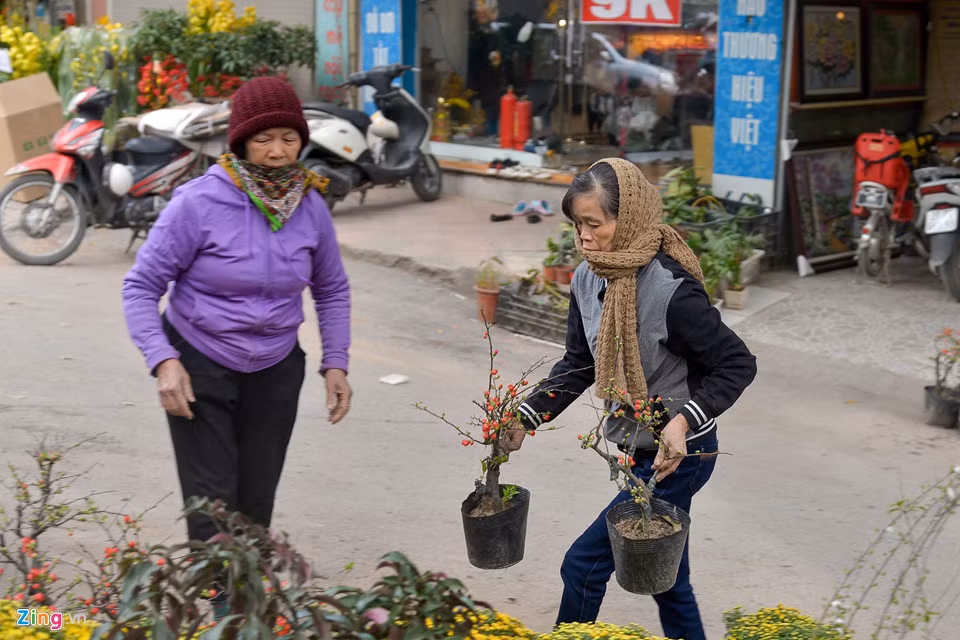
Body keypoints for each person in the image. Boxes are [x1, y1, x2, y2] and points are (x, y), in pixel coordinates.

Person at [121, 77, 352, 616]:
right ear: (241, 141)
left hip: (275, 366)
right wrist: (164, 361)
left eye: (289, 138)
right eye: (264, 138)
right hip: (199, 361)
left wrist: (334, 363)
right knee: (212, 506)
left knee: (255, 501)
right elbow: (141, 287)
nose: (277, 151)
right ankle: (225, 611)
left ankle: (241, 605)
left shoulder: (311, 204)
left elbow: (332, 287)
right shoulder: (198, 202)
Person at [504, 158, 757, 640]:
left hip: (679, 456)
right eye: (577, 224)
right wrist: (525, 416)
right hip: (637, 448)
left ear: (630, 219)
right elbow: (580, 364)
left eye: (593, 224)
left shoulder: (672, 292)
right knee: (667, 580)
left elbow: (737, 364)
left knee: (583, 565)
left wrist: (682, 422)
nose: (582, 237)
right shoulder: (587, 277)